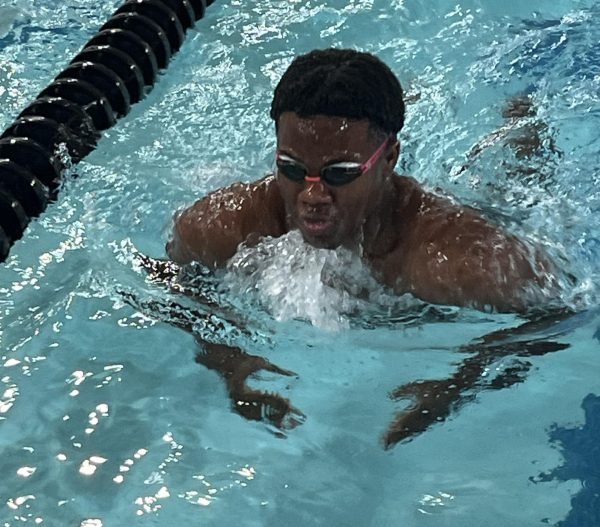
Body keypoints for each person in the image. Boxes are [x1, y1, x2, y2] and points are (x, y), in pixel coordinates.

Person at [167, 48, 557, 313]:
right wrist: (230, 362)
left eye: (339, 173)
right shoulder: (220, 225)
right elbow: (171, 282)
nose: (312, 194)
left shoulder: (461, 262)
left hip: (491, 210)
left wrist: (457, 384)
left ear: (389, 158)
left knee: (510, 193)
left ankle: (520, 124)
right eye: (291, 168)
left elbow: (558, 312)